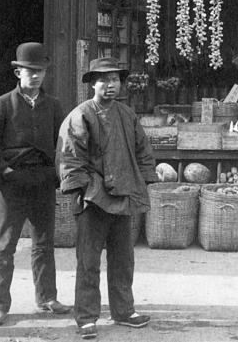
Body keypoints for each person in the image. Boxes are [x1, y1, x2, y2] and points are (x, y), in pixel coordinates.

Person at [0, 42, 71, 326]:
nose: (36, 76)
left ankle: (47, 298)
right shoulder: (2, 104)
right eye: (30, 70)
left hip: (42, 184)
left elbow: (63, 145)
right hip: (12, 185)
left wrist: (56, 175)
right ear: (18, 72)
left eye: (40, 71)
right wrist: (6, 171)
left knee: (44, 244)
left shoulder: (53, 106)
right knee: (5, 246)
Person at [57, 57, 153, 340]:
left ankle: (124, 311)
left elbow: (143, 151)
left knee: (124, 258)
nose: (110, 85)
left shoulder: (127, 114)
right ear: (92, 85)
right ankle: (86, 318)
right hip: (93, 200)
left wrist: (143, 180)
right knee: (88, 261)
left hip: (123, 196)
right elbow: (69, 159)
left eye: (115, 80)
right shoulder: (80, 115)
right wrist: (87, 190)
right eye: (103, 80)